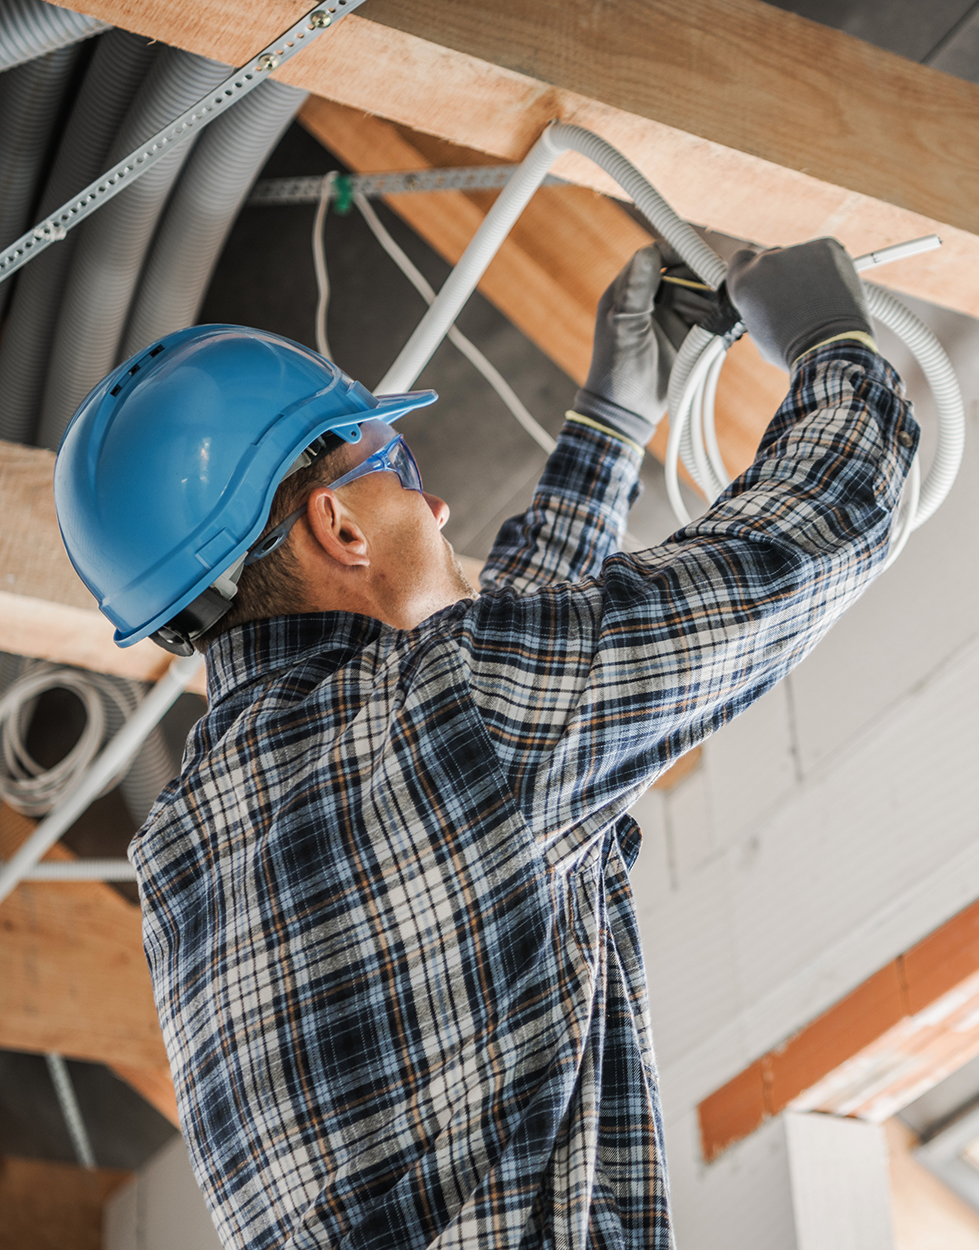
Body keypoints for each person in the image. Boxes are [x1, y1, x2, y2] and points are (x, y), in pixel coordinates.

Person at [54, 238, 916, 1248]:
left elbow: (490, 703)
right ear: (340, 526)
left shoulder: (185, 844)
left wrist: (611, 421)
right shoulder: (454, 715)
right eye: (399, 468)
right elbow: (816, 533)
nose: (439, 505)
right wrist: (832, 340)